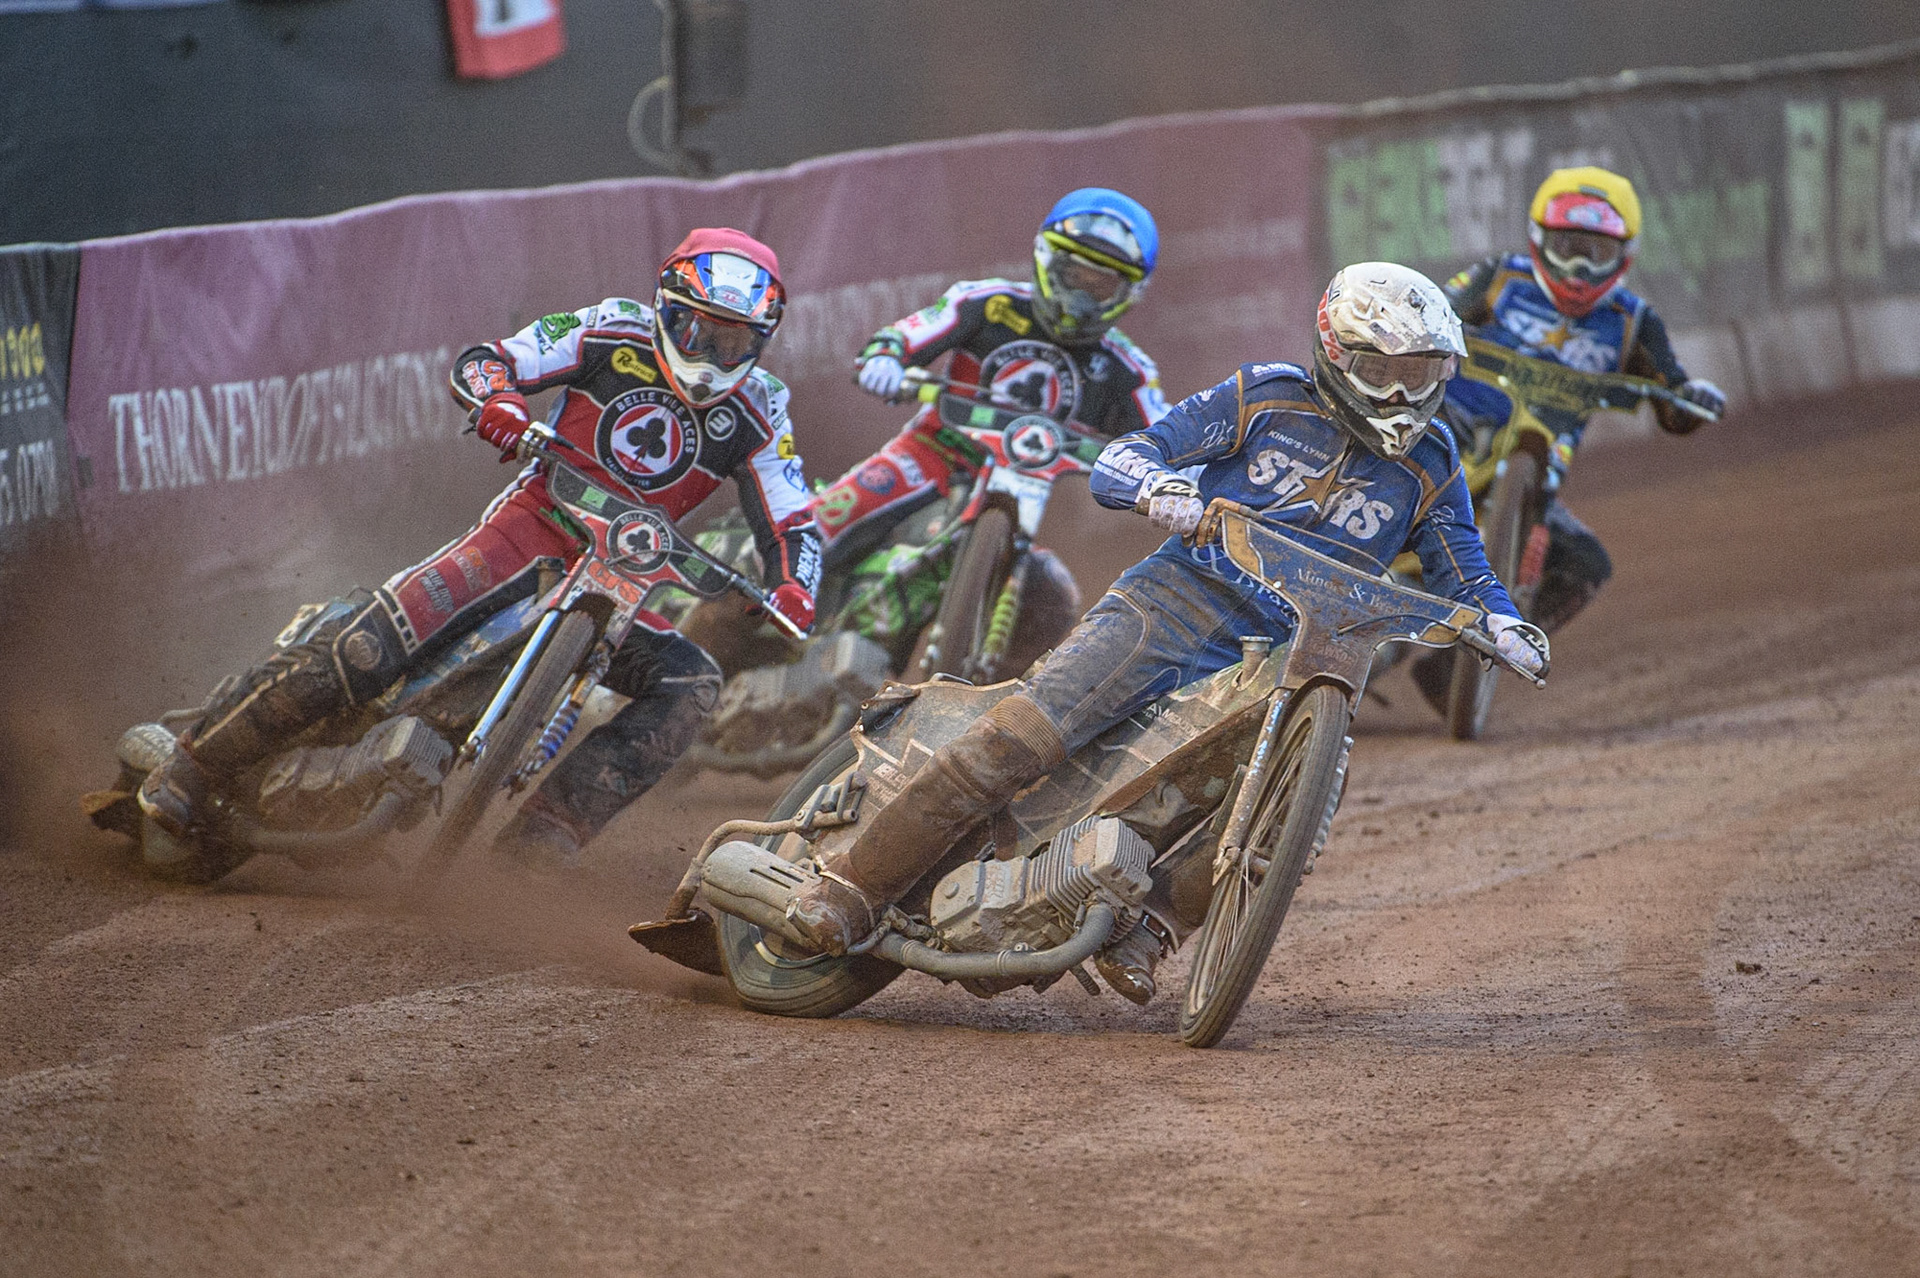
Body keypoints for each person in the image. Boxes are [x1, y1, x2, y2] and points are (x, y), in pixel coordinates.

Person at [779, 262, 1549, 1000]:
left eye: (1424, 376)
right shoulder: (1265, 397)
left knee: (1297, 809)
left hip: (1290, 656)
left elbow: (1464, 567)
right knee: (1019, 741)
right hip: (1173, 604)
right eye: (1388, 372)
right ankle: (850, 888)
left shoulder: (1434, 462)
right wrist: (1158, 485)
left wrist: (1504, 621)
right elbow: (1130, 452)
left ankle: (1150, 928)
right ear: (1338, 352)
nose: (1406, 394)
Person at [137, 228, 821, 868]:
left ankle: (545, 839)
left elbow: (793, 516)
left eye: (732, 343)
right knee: (368, 647)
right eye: (697, 331)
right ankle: (195, 766)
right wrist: (500, 405)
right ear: (666, 309)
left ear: (760, 343)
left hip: (626, 579)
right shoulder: (611, 327)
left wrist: (795, 589)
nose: (709, 355)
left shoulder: (763, 409)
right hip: (530, 530)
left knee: (690, 682)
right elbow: (490, 360)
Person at [1414, 167, 1723, 712]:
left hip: (1540, 468)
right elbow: (1429, 314)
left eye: (1596, 253)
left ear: (1624, 256)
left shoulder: (1632, 322)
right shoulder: (1500, 278)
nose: (1580, 267)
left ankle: (1454, 670)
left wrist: (1691, 401)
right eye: (1567, 247)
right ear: (1538, 240)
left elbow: (1673, 399)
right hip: (1457, 429)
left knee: (1586, 565)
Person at [810, 187, 1171, 567]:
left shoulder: (1129, 370)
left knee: (1052, 592)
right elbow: (910, 333)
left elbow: (1167, 438)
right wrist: (884, 359)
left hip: (1037, 490)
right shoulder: (988, 303)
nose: (1080, 297)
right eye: (1073, 276)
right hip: (936, 450)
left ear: (1129, 292)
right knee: (821, 524)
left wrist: (1189, 477)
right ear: (1048, 260)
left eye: (1098, 286)